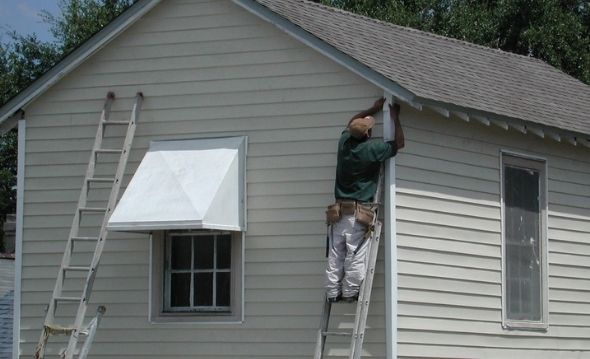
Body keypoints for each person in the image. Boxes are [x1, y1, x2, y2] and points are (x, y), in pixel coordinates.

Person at [325, 97, 405, 303]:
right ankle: (350, 292)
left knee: (336, 254)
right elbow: (399, 144)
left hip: (338, 212)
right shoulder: (371, 149)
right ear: (368, 133)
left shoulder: (344, 143)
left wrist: (372, 109)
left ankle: (333, 292)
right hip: (358, 213)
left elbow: (350, 123)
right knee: (356, 253)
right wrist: (395, 118)